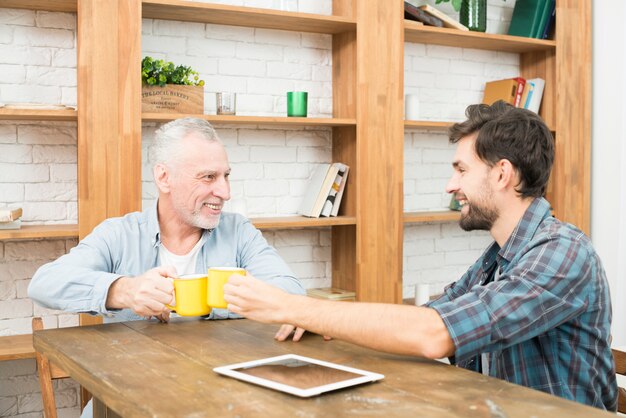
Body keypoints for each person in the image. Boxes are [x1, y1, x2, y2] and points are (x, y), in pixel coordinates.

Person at [223, 101, 618, 411]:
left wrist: (297, 307)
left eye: (461, 170)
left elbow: (434, 335)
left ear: (502, 174)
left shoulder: (562, 254)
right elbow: (431, 316)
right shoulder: (499, 256)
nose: (451, 185)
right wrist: (324, 321)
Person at [28, 118, 307, 417]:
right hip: (126, 399)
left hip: (218, 399)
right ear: (164, 178)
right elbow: (44, 283)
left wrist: (210, 303)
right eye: (208, 177)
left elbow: (291, 293)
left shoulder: (238, 232)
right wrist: (124, 290)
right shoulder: (119, 234)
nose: (225, 192)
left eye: (226, 176)